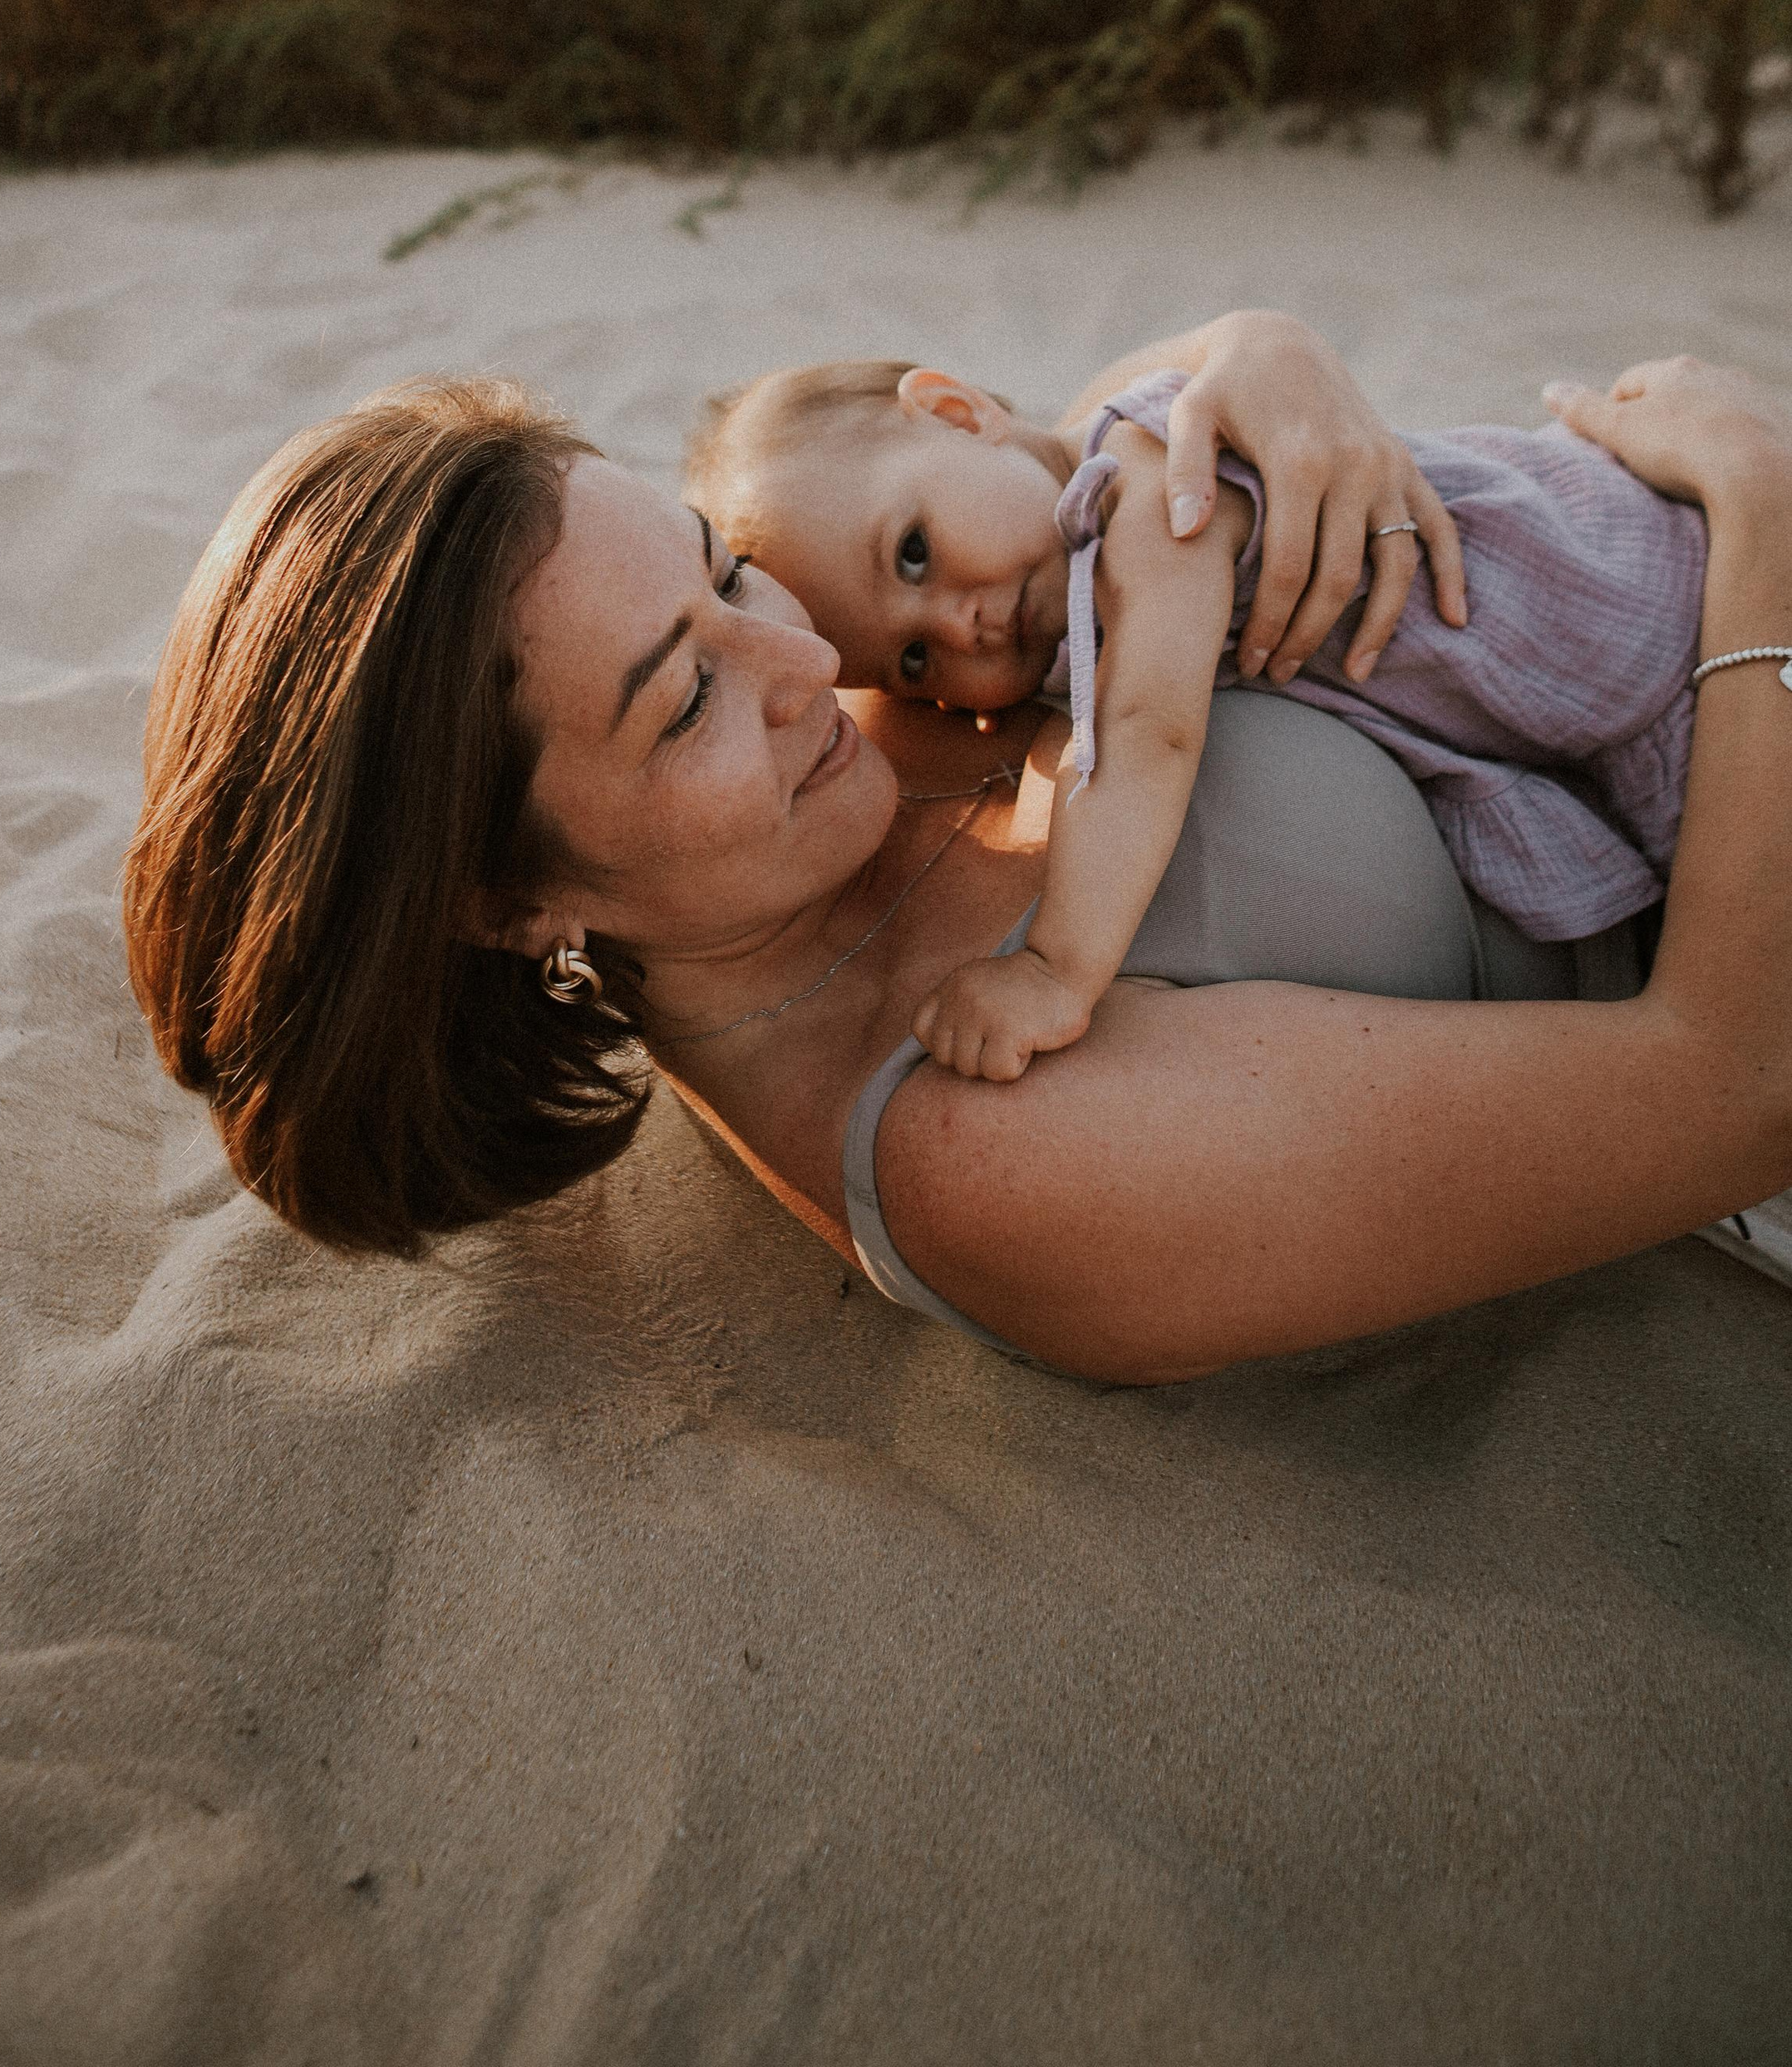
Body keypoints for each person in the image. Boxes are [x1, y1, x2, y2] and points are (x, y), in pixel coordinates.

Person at [122, 313, 1792, 1383]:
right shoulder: (983, 1157)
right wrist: (1758, 510)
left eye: (721, 569)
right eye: (679, 697)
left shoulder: (854, 689)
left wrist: (1254, 360)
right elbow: (1735, 1083)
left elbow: (1043, 472)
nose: (807, 671)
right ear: (503, 906)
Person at [679, 356, 1706, 1083]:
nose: (961, 621)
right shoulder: (1068, 559)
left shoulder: (1151, 485)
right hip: (1604, 706)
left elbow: (1145, 735)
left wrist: (1056, 970)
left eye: (911, 550)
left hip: (1650, 610)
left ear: (955, 411)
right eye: (913, 659)